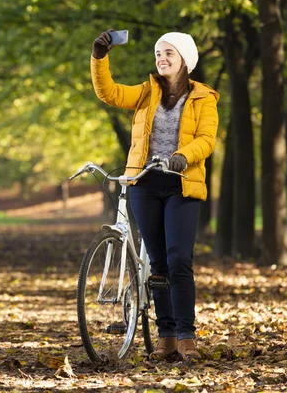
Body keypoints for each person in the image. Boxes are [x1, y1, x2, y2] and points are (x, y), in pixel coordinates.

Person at [90, 30, 219, 361]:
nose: (161, 58)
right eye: (158, 53)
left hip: (181, 185)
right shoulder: (147, 92)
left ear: (184, 60)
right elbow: (109, 93)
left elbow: (207, 139)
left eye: (168, 53)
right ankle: (166, 337)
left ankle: (187, 336)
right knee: (159, 264)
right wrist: (100, 57)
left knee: (179, 260)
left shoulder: (204, 97)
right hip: (145, 185)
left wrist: (184, 155)